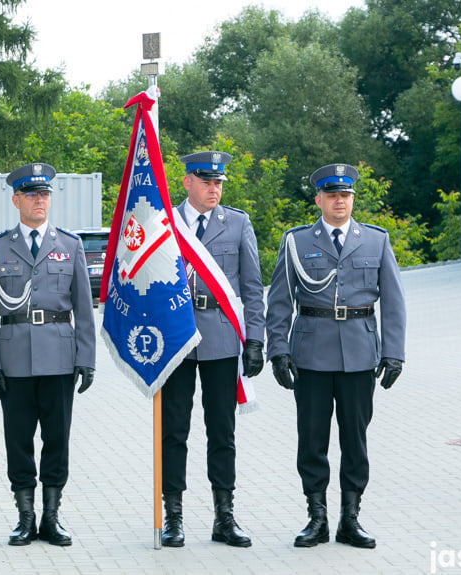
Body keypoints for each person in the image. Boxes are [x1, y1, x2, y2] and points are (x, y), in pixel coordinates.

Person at [265, 163, 406, 550]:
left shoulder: (376, 241)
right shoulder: (297, 242)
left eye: (345, 195)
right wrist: (277, 349)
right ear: (319, 200)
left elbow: (394, 302)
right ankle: (317, 517)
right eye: (331, 195)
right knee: (312, 441)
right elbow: (279, 300)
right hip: (310, 354)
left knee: (355, 441)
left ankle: (350, 518)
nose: (339, 201)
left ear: (352, 199)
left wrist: (394, 353)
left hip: (360, 355)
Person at [0, 162, 96, 547]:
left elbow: (84, 307)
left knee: (57, 439)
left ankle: (51, 517)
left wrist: (86, 359)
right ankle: (25, 517)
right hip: (14, 361)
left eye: (44, 194)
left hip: (60, 358)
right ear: (16, 200)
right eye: (31, 194)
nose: (39, 200)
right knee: (19, 440)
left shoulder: (70, 245)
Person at [160, 151, 266, 548]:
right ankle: (173, 517)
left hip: (222, 337)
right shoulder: (164, 222)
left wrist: (255, 338)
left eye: (219, 182)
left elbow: (252, 287)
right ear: (187, 182)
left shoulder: (237, 223)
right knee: (174, 430)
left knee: (222, 431)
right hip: (176, 338)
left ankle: (225, 516)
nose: (214, 189)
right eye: (206, 181)